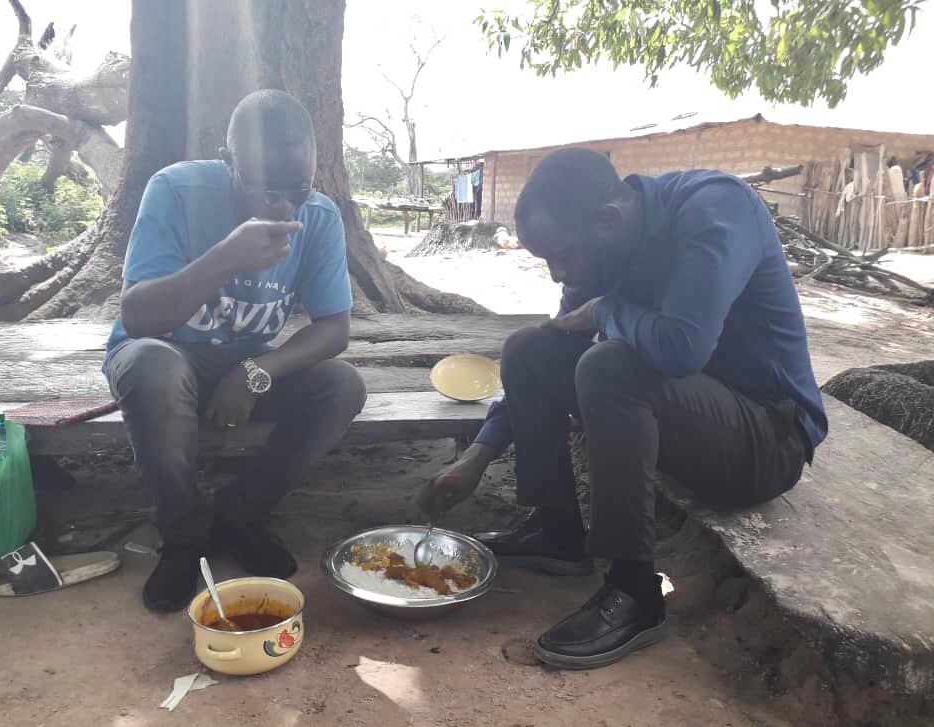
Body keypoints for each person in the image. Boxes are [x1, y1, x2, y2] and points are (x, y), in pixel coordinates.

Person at [418, 149, 827, 669]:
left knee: (608, 366)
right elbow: (556, 340)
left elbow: (682, 347)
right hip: (687, 420)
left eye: (562, 256)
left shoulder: (714, 209)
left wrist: (608, 310)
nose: (555, 273)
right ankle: (558, 531)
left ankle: (635, 592)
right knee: (529, 350)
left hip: (766, 439)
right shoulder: (600, 248)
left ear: (609, 219)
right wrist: (478, 455)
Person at [104, 90, 366, 612]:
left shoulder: (319, 216)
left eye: (300, 188)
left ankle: (241, 515)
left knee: (343, 386)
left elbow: (334, 329)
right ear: (229, 163)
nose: (286, 206)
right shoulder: (176, 190)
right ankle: (183, 538)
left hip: (239, 365)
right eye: (267, 188)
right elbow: (138, 318)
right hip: (163, 357)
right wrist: (226, 257)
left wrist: (256, 372)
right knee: (154, 366)